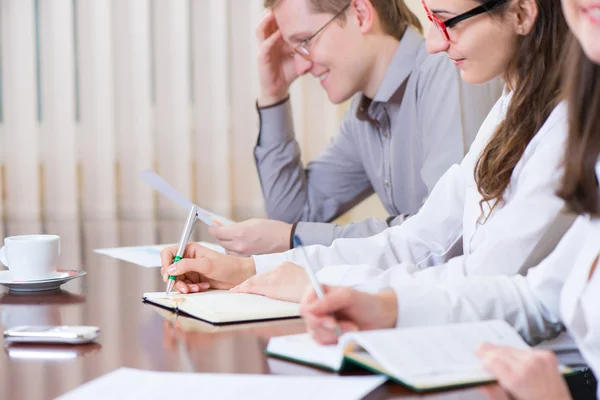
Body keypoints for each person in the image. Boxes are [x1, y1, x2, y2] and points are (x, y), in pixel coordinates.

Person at [159, 0, 571, 305]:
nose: (433, 44)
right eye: (430, 20)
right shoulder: (503, 107)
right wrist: (250, 269)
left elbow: (473, 270)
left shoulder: (464, 78)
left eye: (305, 41)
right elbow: (418, 239)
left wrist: (328, 283)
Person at [301, 2, 600, 397]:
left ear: (523, 14)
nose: (433, 44)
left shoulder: (564, 128)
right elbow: (539, 297)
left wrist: (336, 282)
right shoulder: (511, 108)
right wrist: (383, 306)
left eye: (446, 20)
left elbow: (490, 274)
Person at [207, 0, 502, 256]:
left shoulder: (448, 72)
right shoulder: (364, 114)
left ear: (361, 14)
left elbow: (448, 236)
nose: (302, 66)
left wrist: (293, 238)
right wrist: (274, 93)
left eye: (305, 42)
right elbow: (292, 214)